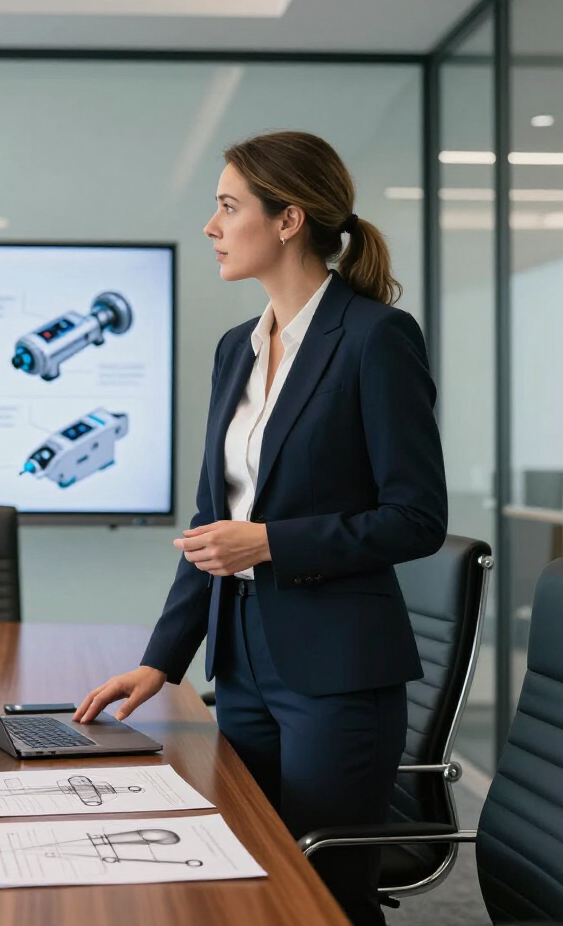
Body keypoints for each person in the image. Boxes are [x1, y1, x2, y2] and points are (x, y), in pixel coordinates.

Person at [74, 130, 447, 926]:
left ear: (289, 220)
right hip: (240, 657)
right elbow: (211, 524)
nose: (211, 226)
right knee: (246, 879)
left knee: (326, 899)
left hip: (337, 674)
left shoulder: (376, 338)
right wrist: (160, 662)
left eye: (228, 206)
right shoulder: (234, 350)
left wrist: (274, 542)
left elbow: (417, 518)